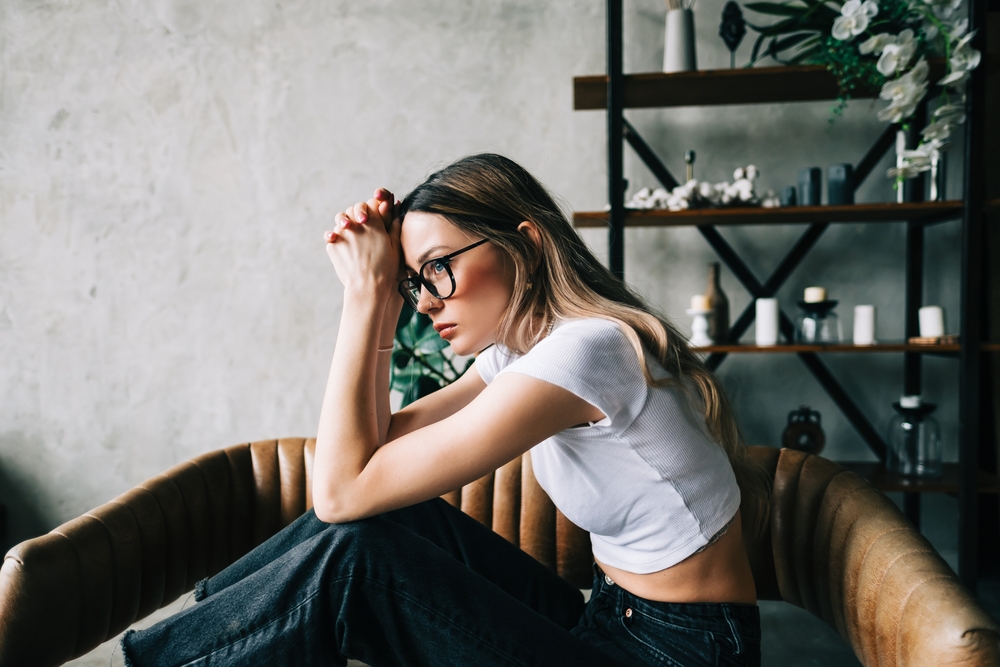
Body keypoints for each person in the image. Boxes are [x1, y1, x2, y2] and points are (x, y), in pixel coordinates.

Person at [120, 153, 767, 667]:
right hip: (609, 617)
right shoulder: (525, 352)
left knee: (358, 560)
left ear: (526, 245)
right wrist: (377, 298)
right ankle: (197, 637)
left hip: (679, 652)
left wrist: (365, 295)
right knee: (396, 514)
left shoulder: (585, 353)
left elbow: (341, 491)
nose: (424, 303)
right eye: (410, 282)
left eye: (436, 269)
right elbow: (373, 451)